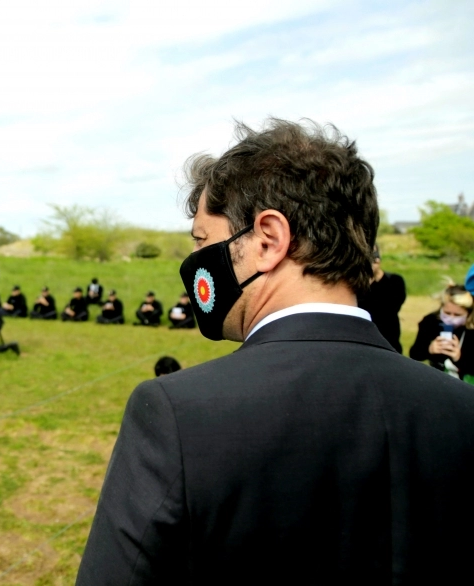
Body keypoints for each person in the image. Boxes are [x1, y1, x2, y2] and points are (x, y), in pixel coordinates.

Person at [77, 119, 474, 584]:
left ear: (267, 240)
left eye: (203, 241)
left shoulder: (176, 413)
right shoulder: (462, 409)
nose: (194, 264)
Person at [409, 283, 474, 382]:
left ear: (469, 314)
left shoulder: (471, 330)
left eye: (457, 315)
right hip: (438, 379)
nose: (451, 318)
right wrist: (429, 350)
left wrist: (459, 358)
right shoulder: (430, 321)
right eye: (447, 313)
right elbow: (415, 354)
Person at [357, 244, 406, 352]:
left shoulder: (394, 281)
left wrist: (375, 279)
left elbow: (390, 307)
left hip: (389, 342)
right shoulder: (356, 284)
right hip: (363, 341)